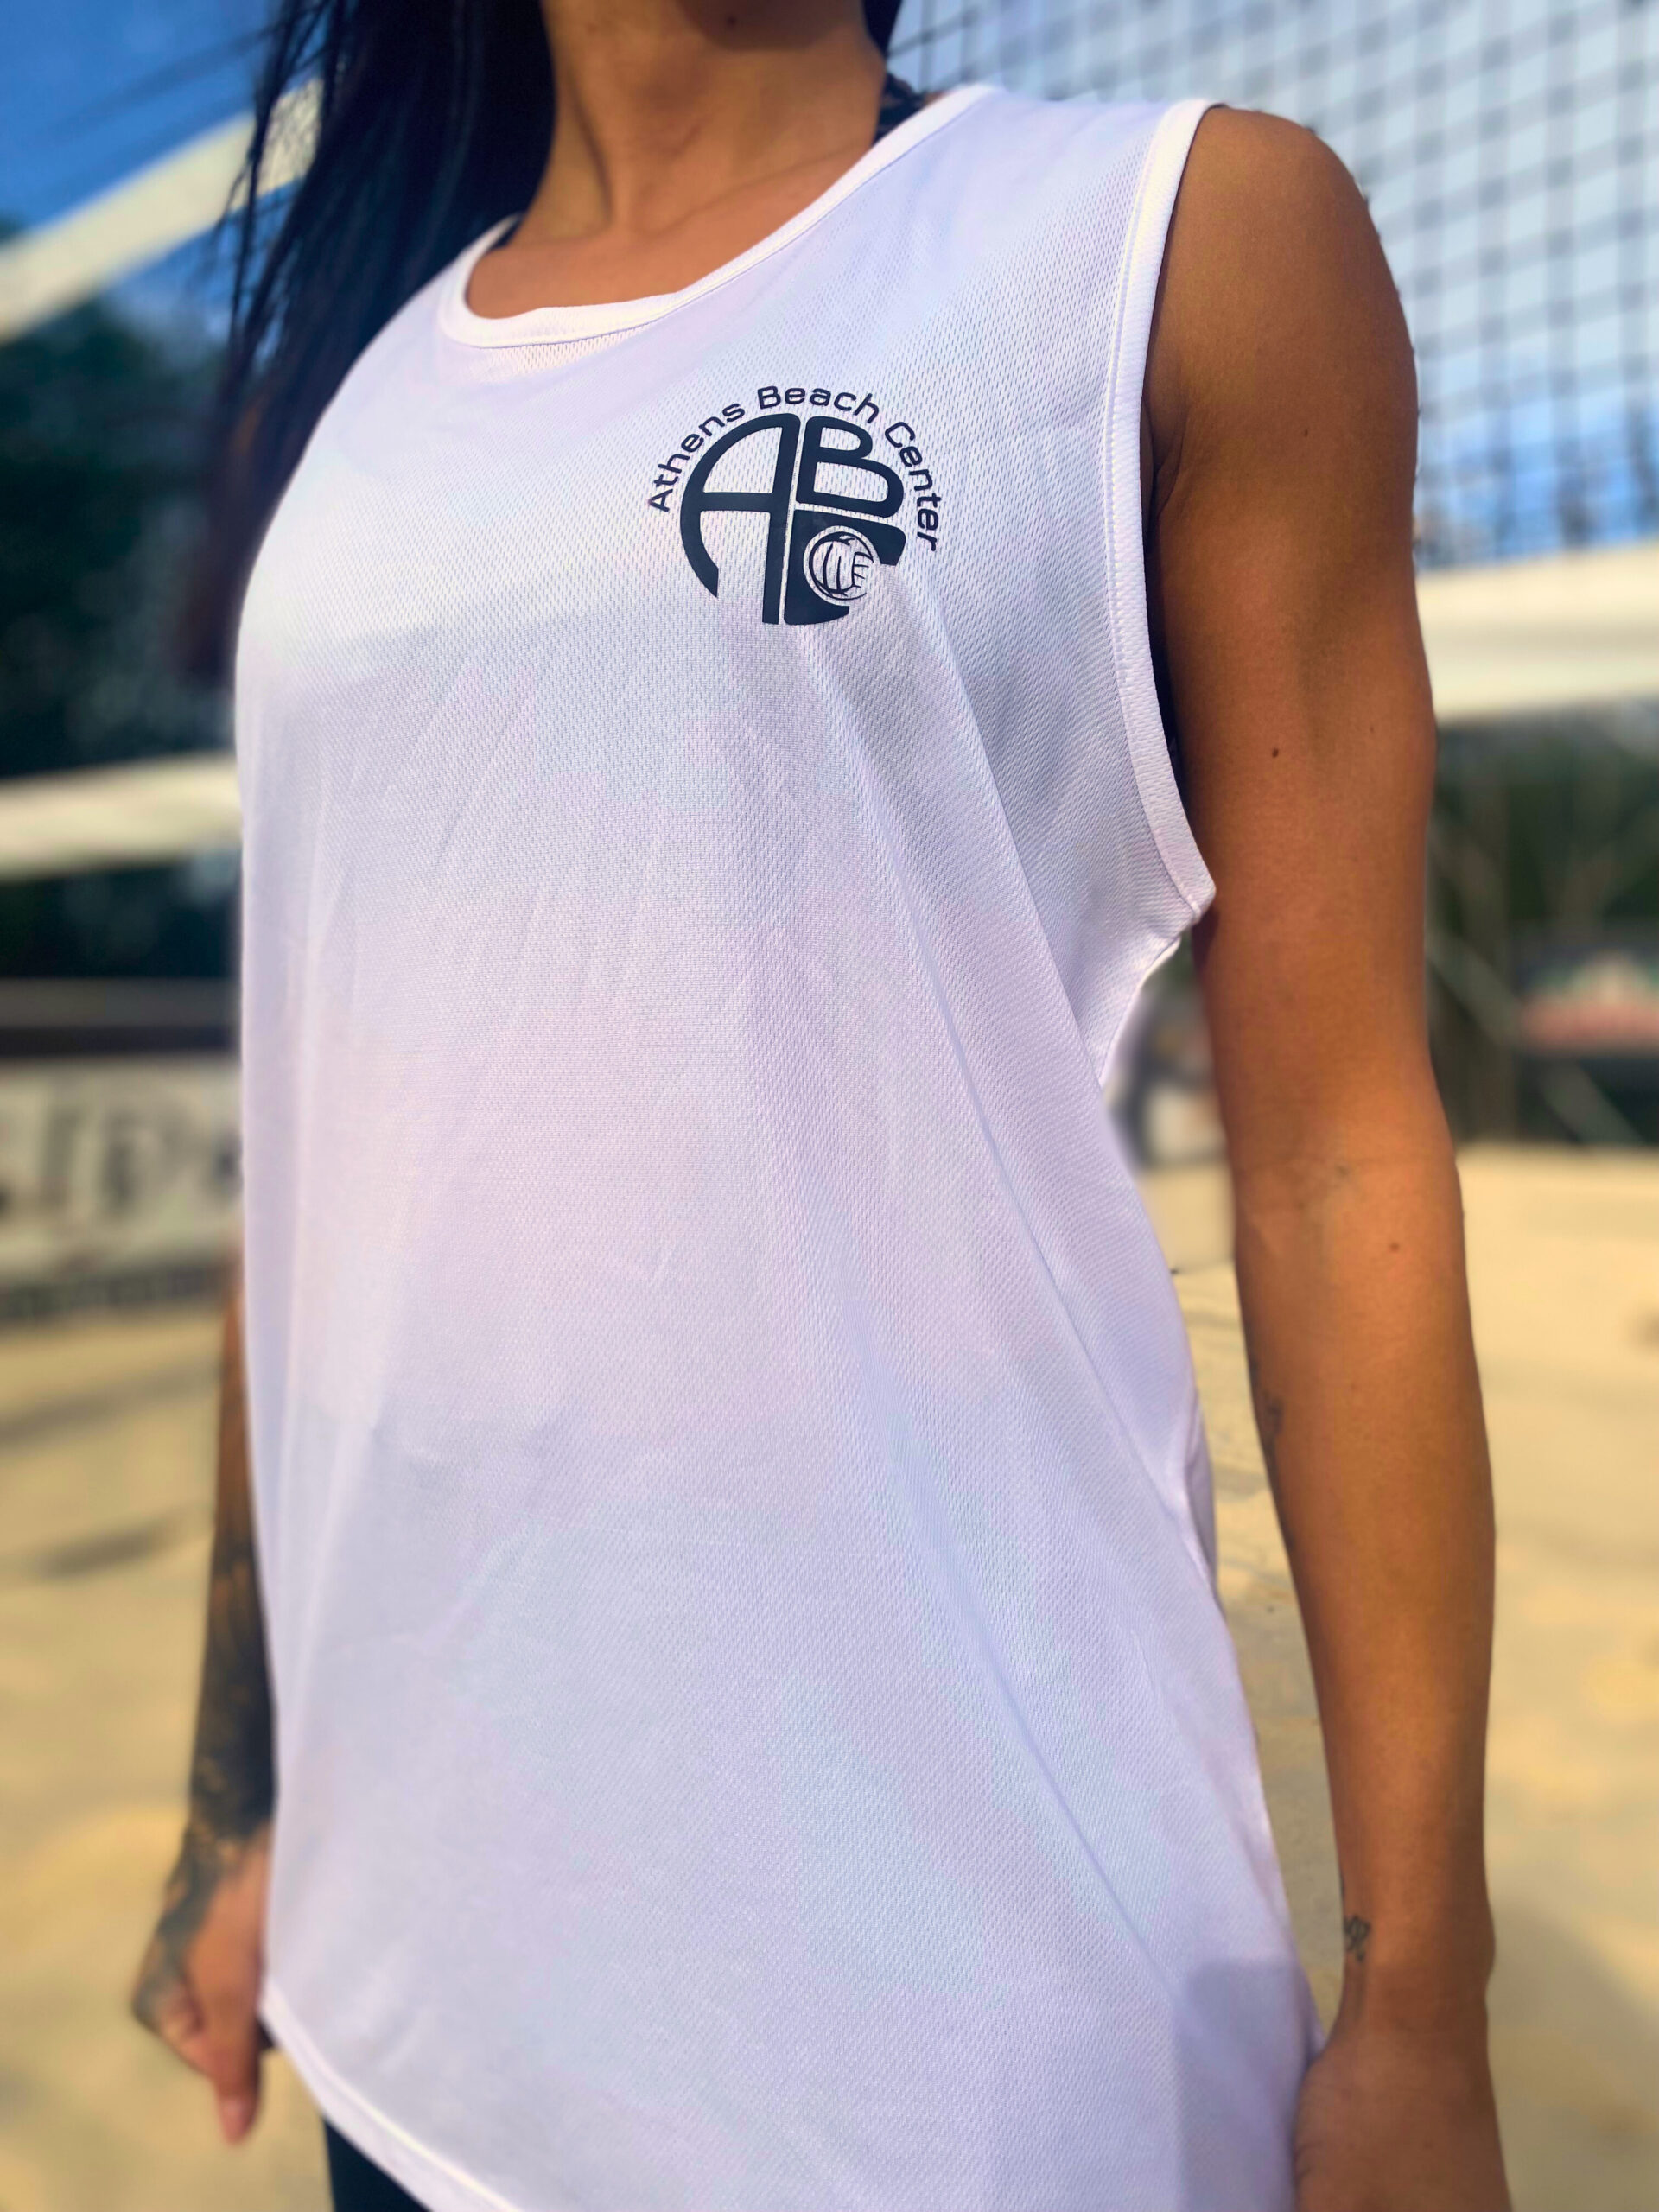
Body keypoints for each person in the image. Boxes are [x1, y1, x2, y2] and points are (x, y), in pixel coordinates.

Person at [131, 3, 1510, 2208]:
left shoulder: (1167, 244)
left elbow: (1338, 1153)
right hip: (419, 2019)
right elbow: (322, 1166)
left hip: (951, 2046)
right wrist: (244, 1805)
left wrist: (1422, 2002)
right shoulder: (362, 408)